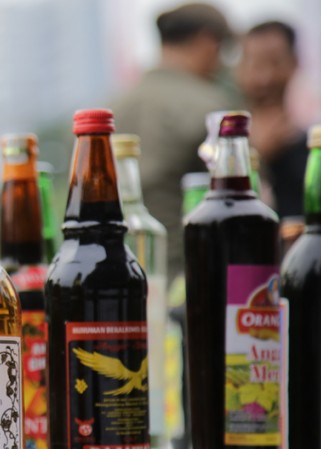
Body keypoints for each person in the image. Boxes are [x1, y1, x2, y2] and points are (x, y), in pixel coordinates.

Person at [111, 2, 235, 281]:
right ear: (207, 43)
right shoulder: (211, 109)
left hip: (119, 276)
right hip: (188, 278)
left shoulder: (114, 108)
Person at [235, 21, 308, 219]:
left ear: (294, 64)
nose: (265, 78)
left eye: (275, 63)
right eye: (255, 65)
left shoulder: (313, 141)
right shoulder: (218, 144)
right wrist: (259, 156)